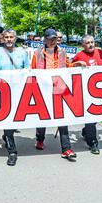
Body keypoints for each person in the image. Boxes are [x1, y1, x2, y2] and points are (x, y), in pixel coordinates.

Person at [31, 29, 85, 161]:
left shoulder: (62, 52)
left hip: (58, 88)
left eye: (54, 38)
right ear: (45, 39)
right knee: (43, 116)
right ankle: (40, 139)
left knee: (62, 118)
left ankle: (66, 149)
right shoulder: (37, 53)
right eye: (50, 38)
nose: (52, 41)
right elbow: (32, 71)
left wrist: (75, 65)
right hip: (43, 89)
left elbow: (66, 66)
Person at [72, 34, 102, 154]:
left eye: (92, 42)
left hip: (101, 92)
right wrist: (76, 65)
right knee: (90, 117)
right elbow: (71, 71)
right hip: (86, 92)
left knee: (95, 118)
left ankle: (86, 131)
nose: (91, 45)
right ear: (83, 45)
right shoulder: (79, 56)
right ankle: (93, 143)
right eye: (88, 43)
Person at [0, 28, 30, 166]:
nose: (9, 40)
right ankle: (12, 152)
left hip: (18, 92)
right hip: (2, 92)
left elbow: (27, 72)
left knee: (14, 120)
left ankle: (7, 136)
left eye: (11, 37)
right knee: (8, 120)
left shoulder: (22, 53)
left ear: (15, 38)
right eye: (6, 37)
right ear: (2, 38)